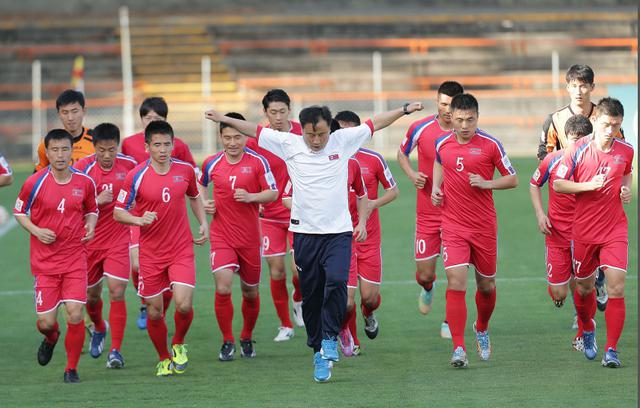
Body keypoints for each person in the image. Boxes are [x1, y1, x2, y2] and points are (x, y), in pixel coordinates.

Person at [205, 101, 423, 382]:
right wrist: (223, 118)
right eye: (311, 135)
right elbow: (255, 131)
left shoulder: (342, 141)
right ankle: (318, 350)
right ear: (302, 130)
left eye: (321, 134)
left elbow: (375, 122)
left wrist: (404, 110)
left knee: (336, 283)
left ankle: (330, 338)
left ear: (328, 129)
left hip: (339, 233)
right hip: (305, 234)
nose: (317, 140)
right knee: (312, 296)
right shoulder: (289, 143)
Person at [113, 120, 208, 376]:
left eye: (167, 144)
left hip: (180, 249)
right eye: (157, 144)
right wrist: (138, 220)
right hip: (151, 254)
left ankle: (178, 343)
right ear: (147, 147)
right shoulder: (136, 176)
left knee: (184, 305)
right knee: (155, 311)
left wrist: (202, 223)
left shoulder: (185, 170)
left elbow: (195, 197)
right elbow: (118, 212)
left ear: (173, 144)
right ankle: (164, 357)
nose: (163, 149)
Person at [431, 93, 518, 368]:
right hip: (453, 226)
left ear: (477, 118)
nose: (465, 125)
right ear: (451, 119)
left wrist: (486, 183)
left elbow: (513, 178)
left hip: (483, 227)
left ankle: (481, 327)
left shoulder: (491, 145)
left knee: (486, 286)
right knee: (456, 282)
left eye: (470, 119)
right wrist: (436, 186)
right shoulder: (442, 144)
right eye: (459, 120)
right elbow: (439, 161)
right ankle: (458, 348)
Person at [537, 64, 625, 314]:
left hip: (598, 198)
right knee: (577, 262)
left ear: (592, 87)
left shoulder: (605, 115)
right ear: (567, 88)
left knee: (598, 244)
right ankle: (586, 298)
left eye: (584, 85)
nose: (579, 91)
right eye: (574, 85)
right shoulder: (554, 120)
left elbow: (620, 151)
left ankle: (595, 286)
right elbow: (544, 154)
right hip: (569, 195)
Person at [553, 98, 633, 368]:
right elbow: (560, 185)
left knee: (617, 287)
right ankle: (587, 328)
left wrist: (625, 189)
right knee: (585, 288)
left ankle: (611, 350)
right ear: (596, 120)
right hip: (584, 231)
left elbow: (626, 172)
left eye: (617, 125)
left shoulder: (626, 150)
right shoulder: (577, 149)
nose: (611, 130)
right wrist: (588, 186)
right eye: (607, 124)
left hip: (614, 228)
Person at [14, 129, 98, 383]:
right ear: (47, 152)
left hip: (74, 259)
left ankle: (71, 368)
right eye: (55, 150)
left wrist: (91, 225)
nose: (60, 155)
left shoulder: (84, 182)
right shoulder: (34, 182)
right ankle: (51, 338)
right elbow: (19, 212)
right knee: (46, 323)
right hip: (45, 263)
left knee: (75, 313)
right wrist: (37, 231)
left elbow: (91, 209)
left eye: (65, 149)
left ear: (72, 152)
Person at [198, 112, 278, 361]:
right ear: (220, 137)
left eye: (237, 137)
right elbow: (199, 185)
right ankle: (227, 341)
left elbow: (273, 193)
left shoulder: (257, 163)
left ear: (245, 137)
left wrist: (252, 197)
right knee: (222, 288)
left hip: (250, 238)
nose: (232, 143)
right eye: (227, 137)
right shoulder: (211, 163)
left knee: (250, 292)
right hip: (222, 236)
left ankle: (245, 336)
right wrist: (205, 203)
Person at [121, 96, 197, 330]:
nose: (151, 121)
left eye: (157, 118)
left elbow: (191, 174)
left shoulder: (179, 146)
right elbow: (124, 174)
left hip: (169, 218)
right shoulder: (129, 144)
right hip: (139, 214)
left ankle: (158, 302)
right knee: (135, 265)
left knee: (175, 291)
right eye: (148, 118)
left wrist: (202, 207)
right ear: (141, 120)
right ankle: (145, 302)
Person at [397, 81, 464, 338]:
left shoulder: (468, 132)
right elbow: (402, 154)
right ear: (437, 102)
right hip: (426, 214)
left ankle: (449, 320)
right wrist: (413, 174)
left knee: (455, 273)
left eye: (452, 104)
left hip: (456, 216)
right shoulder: (421, 128)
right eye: (443, 103)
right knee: (425, 274)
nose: (447, 110)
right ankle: (427, 288)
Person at [334, 111, 399, 355]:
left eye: (352, 130)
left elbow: (393, 191)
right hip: (342, 240)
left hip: (370, 238)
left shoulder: (374, 159)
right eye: (342, 130)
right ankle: (348, 335)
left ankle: (369, 313)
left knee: (369, 298)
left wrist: (373, 203)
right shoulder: (331, 161)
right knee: (347, 300)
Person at [74, 123, 137, 368]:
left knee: (117, 291)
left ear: (117, 146)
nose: (107, 155)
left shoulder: (130, 166)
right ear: (94, 147)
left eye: (112, 150)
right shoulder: (82, 169)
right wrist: (95, 202)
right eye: (102, 150)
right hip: (89, 241)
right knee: (91, 296)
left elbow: (141, 191)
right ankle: (99, 327)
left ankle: (115, 351)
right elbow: (70, 204)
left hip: (119, 240)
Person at [245, 89, 305, 341]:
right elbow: (247, 169)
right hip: (268, 215)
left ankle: (298, 298)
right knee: (277, 271)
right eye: (273, 112)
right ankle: (285, 325)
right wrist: (253, 198)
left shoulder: (303, 133)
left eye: (282, 111)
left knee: (299, 271)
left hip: (299, 212)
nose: (278, 117)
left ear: (289, 109)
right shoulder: (257, 139)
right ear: (265, 113)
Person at [529, 115, 593, 351]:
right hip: (556, 233)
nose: (576, 145)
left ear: (589, 139)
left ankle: (584, 331)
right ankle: (568, 302)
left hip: (585, 235)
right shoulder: (553, 160)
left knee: (583, 287)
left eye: (581, 140)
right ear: (565, 139)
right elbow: (534, 184)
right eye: (572, 140)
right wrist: (540, 214)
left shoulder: (595, 162)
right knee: (558, 292)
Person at [34, 90, 94, 171]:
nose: (70, 118)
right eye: (65, 112)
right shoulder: (48, 143)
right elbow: (37, 177)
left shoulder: (97, 140)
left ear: (84, 111)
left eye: (74, 111)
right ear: (59, 114)